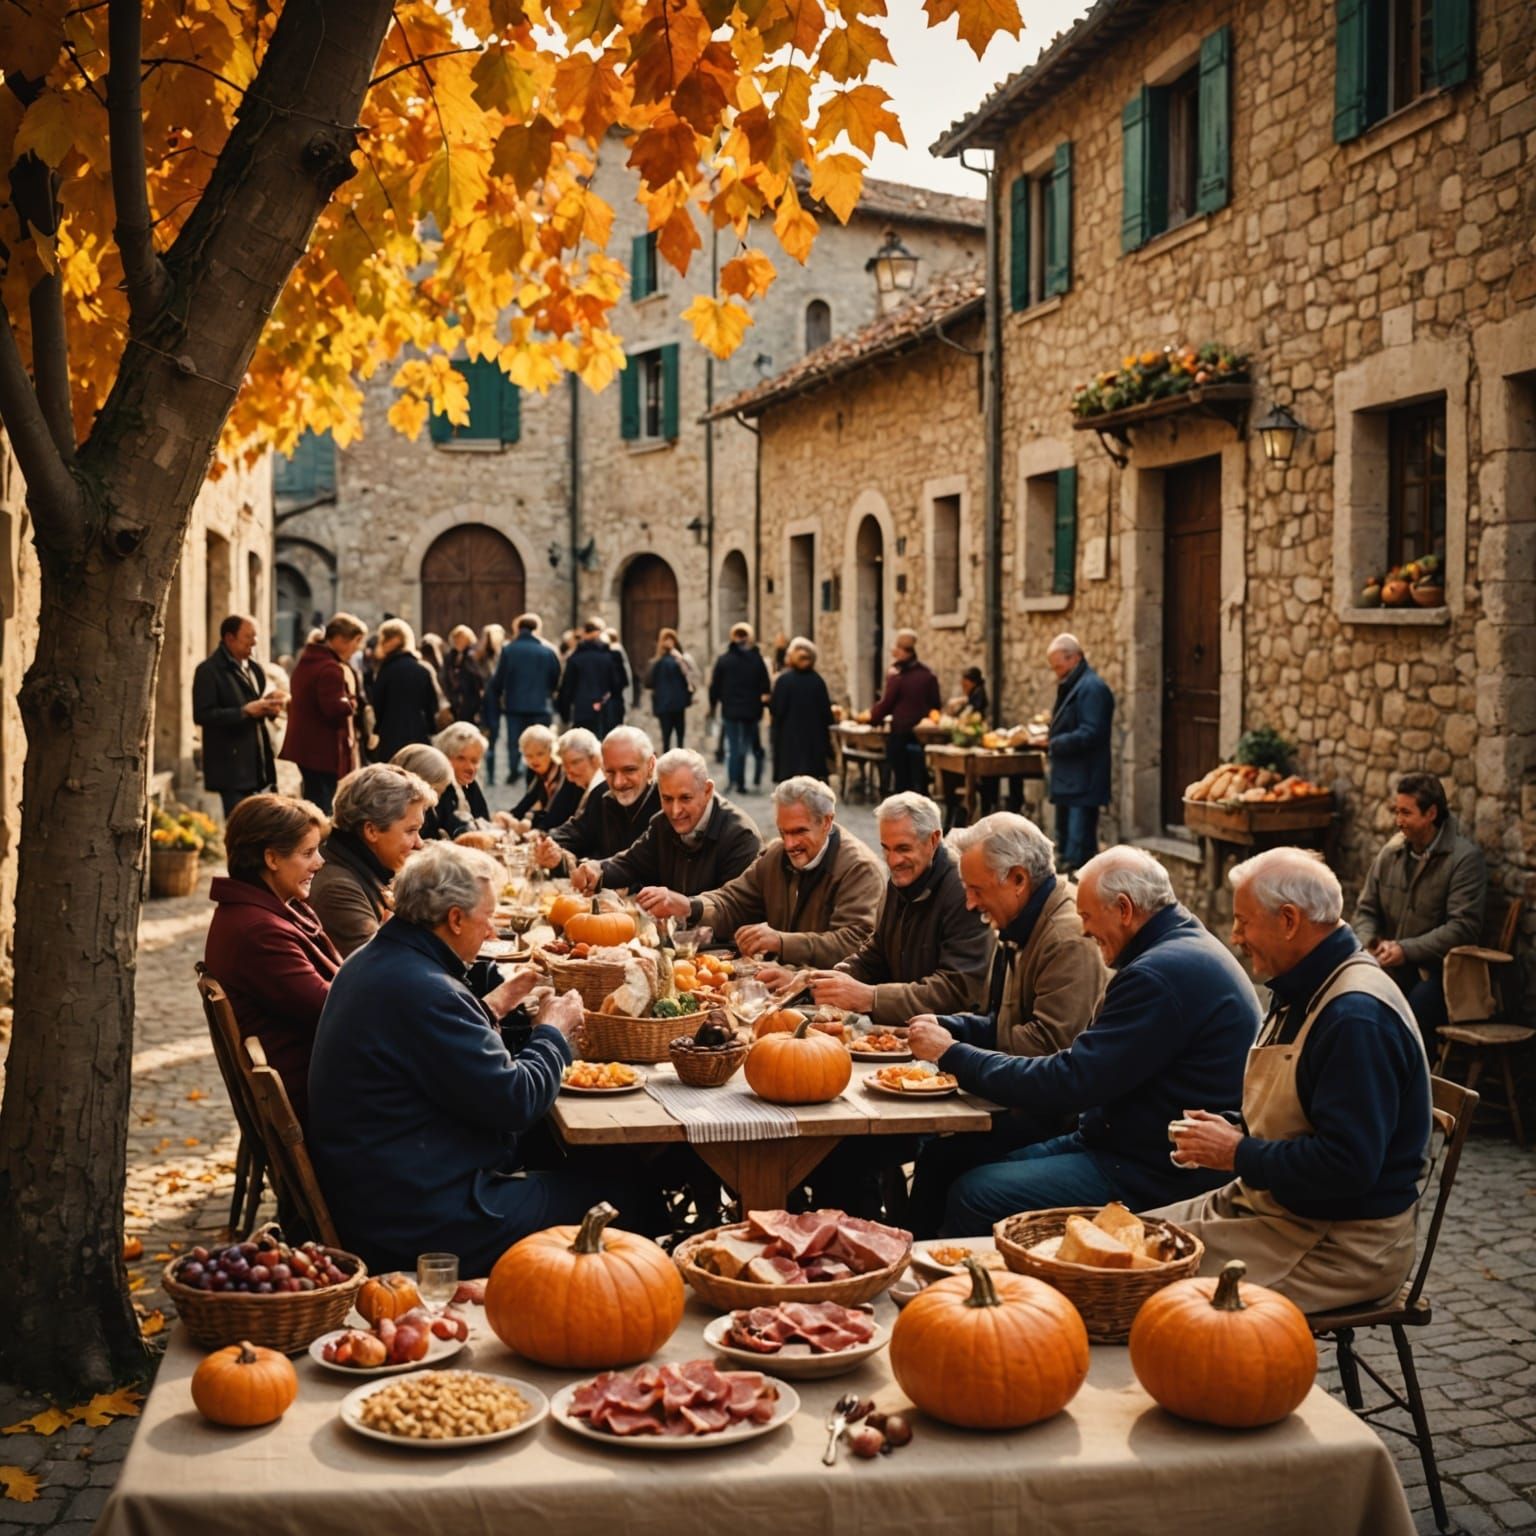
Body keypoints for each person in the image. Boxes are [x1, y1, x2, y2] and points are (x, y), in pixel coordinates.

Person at [309, 843, 660, 1274]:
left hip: (393, 1186)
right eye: (487, 917)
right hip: (423, 1220)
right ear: (454, 918)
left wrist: (490, 1008)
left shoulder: (384, 959)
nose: (492, 931)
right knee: (629, 1190)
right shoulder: (425, 990)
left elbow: (440, 1053)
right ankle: (606, 1314)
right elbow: (517, 1103)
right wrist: (553, 1029)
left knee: (594, 1160)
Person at [909, 847, 1259, 1237]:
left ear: (1124, 909)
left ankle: (969, 1289)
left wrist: (953, 1055)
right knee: (951, 1159)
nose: (1085, 929)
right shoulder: (1173, 947)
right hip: (1119, 1142)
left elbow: (1072, 1080)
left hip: (1151, 1171)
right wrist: (957, 1038)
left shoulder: (1159, 973)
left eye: (1089, 917)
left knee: (975, 1193)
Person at [1152, 849, 1433, 1311]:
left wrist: (1236, 1151)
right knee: (1123, 1243)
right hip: (1274, 1211)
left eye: (1244, 922)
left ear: (1288, 920)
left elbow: (1347, 1168)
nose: (1235, 935)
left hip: (1341, 1247)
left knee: (1141, 1284)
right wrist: (1232, 1130)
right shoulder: (1301, 985)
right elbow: (1303, 1114)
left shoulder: (1354, 1018)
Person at [902, 813, 1109, 1234]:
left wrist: (952, 1050)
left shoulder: (1066, 937)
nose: (970, 903)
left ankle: (940, 1269)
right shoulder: (1021, 922)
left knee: (948, 1164)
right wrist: (952, 1025)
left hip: (1055, 1116)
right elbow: (1004, 1021)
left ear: (1017, 879)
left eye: (977, 890)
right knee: (929, 1154)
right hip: (1022, 1098)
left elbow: (1050, 1046)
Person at [787, 792, 996, 1026]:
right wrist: (830, 979)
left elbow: (957, 990)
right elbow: (877, 952)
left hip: (946, 1037)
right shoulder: (903, 876)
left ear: (934, 839)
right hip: (901, 1027)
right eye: (886, 848)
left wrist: (871, 998)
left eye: (903, 848)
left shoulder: (963, 889)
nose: (893, 860)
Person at [642, 777, 883, 965]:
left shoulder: (858, 869)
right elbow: (734, 900)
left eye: (799, 832)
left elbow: (853, 943)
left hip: (833, 994)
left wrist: (781, 942)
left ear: (827, 822)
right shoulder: (777, 856)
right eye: (783, 832)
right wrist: (689, 905)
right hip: (784, 978)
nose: (790, 844)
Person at [203, 794, 340, 1125]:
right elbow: (332, 1010)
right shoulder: (258, 931)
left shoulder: (267, 912)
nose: (319, 862)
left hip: (325, 1078)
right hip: (322, 1099)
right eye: (307, 853)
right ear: (272, 858)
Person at [1351, 771, 1487, 1045]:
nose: (1398, 821)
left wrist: (1406, 950)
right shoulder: (1391, 854)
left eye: (1406, 813)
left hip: (1442, 975)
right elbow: (1365, 911)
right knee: (1354, 1002)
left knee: (1412, 1012)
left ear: (1431, 813)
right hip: (1392, 964)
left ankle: (1411, 1083)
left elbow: (1463, 928)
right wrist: (1374, 944)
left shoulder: (1464, 860)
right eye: (1396, 811)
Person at [573, 748, 761, 900]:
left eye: (685, 798)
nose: (675, 811)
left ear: (708, 790)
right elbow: (632, 863)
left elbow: (732, 907)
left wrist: (685, 908)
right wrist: (597, 870)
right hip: (677, 937)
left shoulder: (740, 836)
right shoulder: (662, 823)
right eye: (667, 799)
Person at [308, 763, 435, 957]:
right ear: (372, 831)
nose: (419, 844)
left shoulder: (366, 867)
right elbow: (384, 971)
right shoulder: (337, 889)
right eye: (410, 831)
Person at [192, 614, 282, 816]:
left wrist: (268, 707)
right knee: (239, 829)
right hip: (231, 767)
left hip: (257, 765)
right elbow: (203, 715)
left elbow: (252, 703)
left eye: (255, 636)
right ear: (229, 638)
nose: (254, 642)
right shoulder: (208, 671)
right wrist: (243, 712)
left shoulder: (254, 668)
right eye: (248, 636)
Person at [536, 725, 660, 871]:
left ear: (651, 766)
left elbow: (636, 869)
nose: (618, 782)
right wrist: (548, 845)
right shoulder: (602, 796)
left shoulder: (666, 804)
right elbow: (576, 831)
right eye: (610, 772)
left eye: (629, 770)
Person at [278, 613, 367, 815]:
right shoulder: (330, 669)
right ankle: (319, 846)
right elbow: (335, 710)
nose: (356, 649)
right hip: (322, 751)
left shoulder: (308, 660)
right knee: (323, 808)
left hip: (307, 749)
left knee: (313, 800)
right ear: (340, 640)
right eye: (356, 642)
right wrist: (352, 701)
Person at [1044, 633, 1114, 873]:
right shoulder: (1076, 684)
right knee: (1067, 848)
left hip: (1083, 782)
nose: (1056, 672)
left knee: (1078, 854)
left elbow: (1093, 732)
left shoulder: (1092, 688)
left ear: (1074, 658)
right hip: (1071, 782)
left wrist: (1053, 743)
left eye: (1059, 666)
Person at [867, 629, 941, 795]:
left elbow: (887, 703)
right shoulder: (928, 675)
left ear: (902, 651)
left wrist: (872, 718)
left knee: (903, 781)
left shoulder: (897, 676)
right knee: (921, 781)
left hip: (901, 734)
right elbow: (935, 706)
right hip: (922, 737)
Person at [491, 614, 561, 782]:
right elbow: (555, 678)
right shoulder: (547, 651)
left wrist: (499, 695)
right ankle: (541, 770)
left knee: (514, 741)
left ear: (517, 628)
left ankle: (514, 770)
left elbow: (499, 679)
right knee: (542, 741)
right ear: (536, 629)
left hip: (515, 704)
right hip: (541, 704)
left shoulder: (508, 650)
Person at [709, 623, 771, 795]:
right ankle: (744, 781)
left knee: (734, 748)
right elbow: (765, 686)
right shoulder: (756, 659)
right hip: (751, 710)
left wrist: (714, 704)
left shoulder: (724, 660)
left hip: (731, 710)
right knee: (745, 747)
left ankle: (735, 781)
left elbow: (715, 687)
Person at [370, 619, 441, 761]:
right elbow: (432, 706)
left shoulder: (386, 671)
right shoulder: (422, 670)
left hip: (390, 738)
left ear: (395, 640)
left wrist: (377, 731)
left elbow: (377, 705)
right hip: (418, 738)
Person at [769, 636, 834, 782]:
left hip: (789, 745)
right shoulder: (818, 681)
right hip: (814, 745)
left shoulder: (784, 681)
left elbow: (776, 710)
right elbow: (827, 715)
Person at [557, 618, 626, 738]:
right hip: (607, 710)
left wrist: (565, 714)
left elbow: (567, 689)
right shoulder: (611, 657)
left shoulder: (575, 658)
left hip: (582, 710)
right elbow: (619, 684)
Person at [645, 629, 696, 753]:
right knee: (668, 738)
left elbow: (690, 678)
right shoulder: (658, 663)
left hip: (675, 703)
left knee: (677, 737)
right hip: (667, 704)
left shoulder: (679, 661)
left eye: (671, 639)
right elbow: (649, 683)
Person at [474, 623, 506, 780]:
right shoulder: (497, 657)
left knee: (488, 736)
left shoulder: (499, 656)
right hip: (488, 701)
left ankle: (488, 773)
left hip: (487, 701)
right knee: (490, 736)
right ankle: (488, 773)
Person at [442, 624, 486, 724]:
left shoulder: (473, 655)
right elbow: (445, 675)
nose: (458, 641)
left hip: (470, 698)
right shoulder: (450, 656)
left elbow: (478, 676)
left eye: (461, 638)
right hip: (454, 697)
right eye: (456, 638)